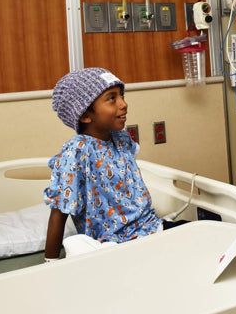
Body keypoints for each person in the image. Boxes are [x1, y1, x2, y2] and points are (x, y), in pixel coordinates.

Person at [43, 67, 166, 260]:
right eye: (111, 98)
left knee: (212, 226)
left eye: (122, 96)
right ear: (85, 115)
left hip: (150, 228)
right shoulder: (76, 152)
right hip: (113, 242)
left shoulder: (121, 140)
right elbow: (59, 213)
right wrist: (50, 263)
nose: (123, 104)